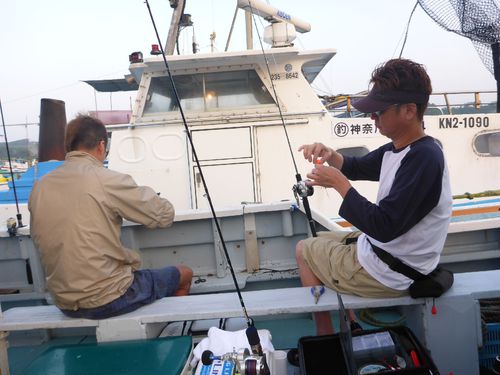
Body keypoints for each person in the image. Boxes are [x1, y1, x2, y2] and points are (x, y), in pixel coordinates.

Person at [295, 58, 452, 335]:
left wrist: (339, 184)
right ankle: (352, 325)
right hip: (385, 253)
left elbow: (384, 226)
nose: (372, 117)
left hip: (393, 272)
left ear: (409, 110)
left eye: (379, 111)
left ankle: (326, 339)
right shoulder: (401, 148)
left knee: (304, 250)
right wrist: (330, 156)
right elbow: (358, 166)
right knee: (317, 240)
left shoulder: (424, 158)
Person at [29, 115, 193, 319]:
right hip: (108, 298)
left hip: (64, 302)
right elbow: (164, 215)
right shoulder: (107, 179)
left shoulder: (40, 186)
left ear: (68, 147)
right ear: (101, 146)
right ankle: (176, 334)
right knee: (184, 273)